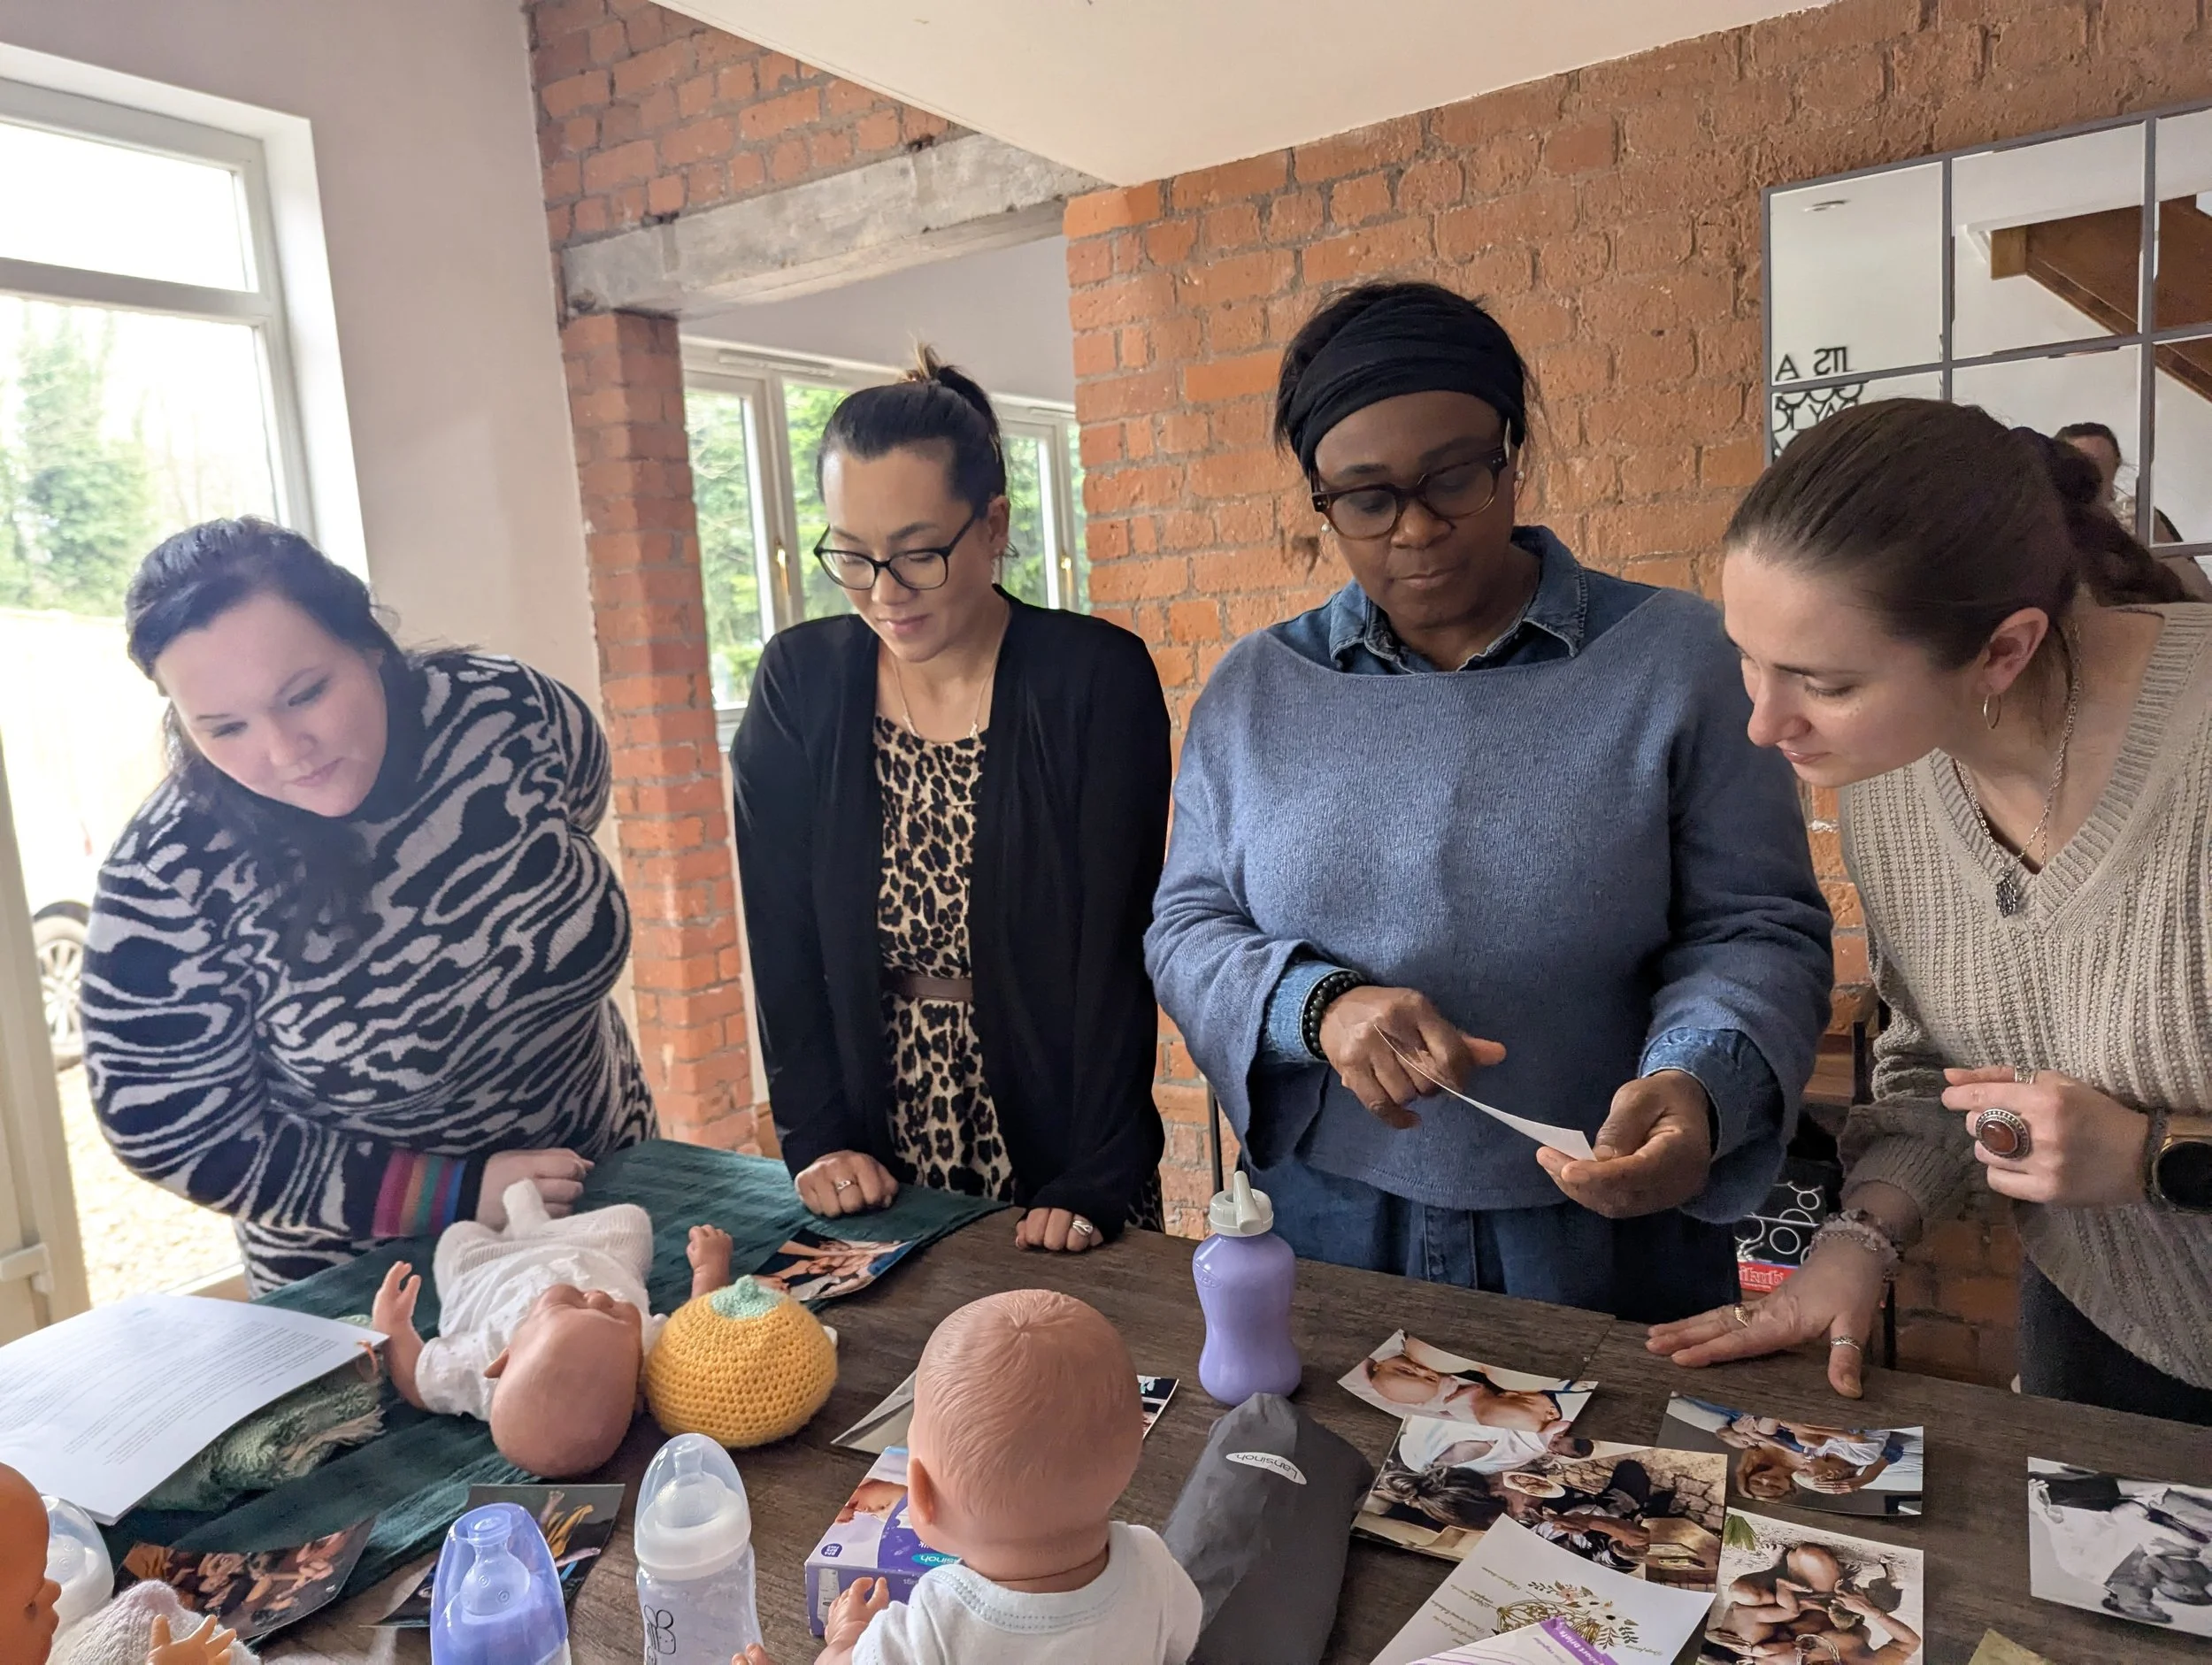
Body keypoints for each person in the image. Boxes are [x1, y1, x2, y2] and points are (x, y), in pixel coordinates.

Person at [1145, 280, 1833, 1322]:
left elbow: (1755, 928)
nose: (1417, 528)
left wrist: (1697, 1084)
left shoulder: (1673, 660)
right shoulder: (1257, 691)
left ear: (1513, 452)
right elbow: (1188, 927)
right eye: (1367, 499)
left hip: (1601, 1218)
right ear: (1320, 500)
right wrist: (1316, 1006)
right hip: (1324, 1216)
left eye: (1454, 476)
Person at [1649, 399, 2212, 1423]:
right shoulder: (1895, 777)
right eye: (1748, 658)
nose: (1762, 721)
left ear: (2003, 650)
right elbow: (1938, 1075)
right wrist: (1859, 1239)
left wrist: (2155, 1156)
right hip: (2102, 1331)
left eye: (1821, 681)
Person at [80, 519, 653, 1292]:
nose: (285, 751)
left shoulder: (508, 713)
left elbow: (578, 806)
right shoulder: (168, 876)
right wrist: (454, 1194)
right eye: (224, 727)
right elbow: (177, 1135)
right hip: (377, 1277)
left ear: (371, 646)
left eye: (306, 694)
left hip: (616, 1178)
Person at [731, 349, 1171, 1251]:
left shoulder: (1093, 679)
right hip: (874, 1139)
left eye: (918, 553)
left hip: (1063, 1135)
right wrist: (815, 1138)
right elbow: (781, 937)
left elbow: (1116, 954)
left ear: (994, 524)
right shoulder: (799, 683)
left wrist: (1095, 1173)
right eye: (851, 556)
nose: (885, 593)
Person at [803, 1290, 1203, 1665]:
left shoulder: (933, 1622)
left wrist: (848, 1637)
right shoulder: (1151, 1563)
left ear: (921, 1495)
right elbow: (1181, 1643)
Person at [372, 1186, 733, 1477]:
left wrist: (393, 1327)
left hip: (487, 1269)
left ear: (506, 1357)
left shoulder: (478, 1371)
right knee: (632, 1221)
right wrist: (709, 1274)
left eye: (571, 1305)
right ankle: (533, 1224)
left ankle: (526, 1226)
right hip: (590, 1252)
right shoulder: (646, 1358)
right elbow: (696, 1336)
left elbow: (418, 1381)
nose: (597, 1298)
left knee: (456, 1238)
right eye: (615, 1316)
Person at [2055, 419, 2202, 594]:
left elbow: (2203, 595)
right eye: (2080, 466)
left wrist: (2160, 542)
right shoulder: (2044, 522)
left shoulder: (2144, 519)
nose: (2090, 479)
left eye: (2101, 468)